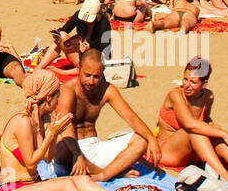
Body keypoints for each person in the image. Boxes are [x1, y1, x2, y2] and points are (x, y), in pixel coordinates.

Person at [0, 71, 160, 191]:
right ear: (48, 98)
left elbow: (47, 157)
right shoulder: (23, 122)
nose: (59, 98)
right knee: (66, 185)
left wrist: (53, 134)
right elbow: (31, 163)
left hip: (32, 185)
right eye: (57, 94)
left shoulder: (41, 119)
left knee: (81, 180)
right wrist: (52, 135)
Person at [51, 49, 160, 181]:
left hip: (95, 147)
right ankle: (112, 172)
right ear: (79, 68)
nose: (91, 81)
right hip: (72, 149)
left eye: (96, 77)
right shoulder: (68, 90)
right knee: (62, 147)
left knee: (141, 140)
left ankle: (103, 175)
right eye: (87, 75)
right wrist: (77, 154)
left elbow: (130, 117)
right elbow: (65, 124)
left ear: (102, 72)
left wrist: (151, 139)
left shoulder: (106, 89)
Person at [155, 58, 228, 186]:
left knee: (214, 129)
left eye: (193, 82)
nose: (187, 85)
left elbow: (206, 121)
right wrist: (224, 134)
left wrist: (218, 130)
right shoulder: (175, 95)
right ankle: (224, 174)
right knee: (195, 131)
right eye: (185, 79)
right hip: (169, 151)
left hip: (193, 152)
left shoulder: (208, 96)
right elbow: (189, 124)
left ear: (204, 83)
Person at [39, 0, 112, 70]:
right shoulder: (78, 16)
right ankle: (40, 67)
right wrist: (56, 32)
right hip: (79, 56)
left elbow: (106, 53)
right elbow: (64, 30)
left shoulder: (104, 24)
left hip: (93, 61)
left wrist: (90, 50)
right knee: (61, 36)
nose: (86, 21)